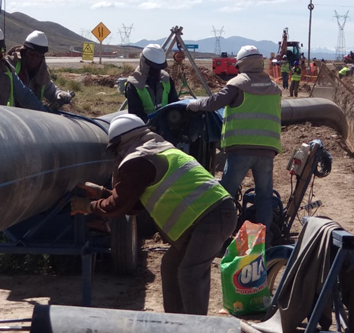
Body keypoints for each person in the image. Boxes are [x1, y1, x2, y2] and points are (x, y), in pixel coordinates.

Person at [71, 114, 236, 315]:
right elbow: (133, 204)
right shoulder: (157, 148)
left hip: (211, 216)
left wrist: (88, 206)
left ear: (121, 142)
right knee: (170, 266)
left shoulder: (138, 159)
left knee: (189, 272)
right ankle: (176, 323)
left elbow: (119, 206)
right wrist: (101, 193)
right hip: (210, 215)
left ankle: (196, 326)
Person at [185, 45, 281, 245]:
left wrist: (194, 105)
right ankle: (264, 240)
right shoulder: (274, 88)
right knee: (264, 196)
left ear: (242, 64)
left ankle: (219, 236)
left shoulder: (238, 84)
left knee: (225, 194)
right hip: (267, 150)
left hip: (240, 149)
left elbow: (214, 103)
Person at [6, 31, 73, 108]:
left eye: (38, 55)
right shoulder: (10, 65)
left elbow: (51, 90)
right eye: (31, 54)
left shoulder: (41, 73)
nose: (34, 58)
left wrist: (60, 94)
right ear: (23, 52)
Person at [125, 44, 179, 122]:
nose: (157, 71)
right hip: (145, 128)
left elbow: (174, 103)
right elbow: (136, 114)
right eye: (154, 68)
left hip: (167, 125)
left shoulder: (166, 79)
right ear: (145, 64)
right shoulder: (134, 84)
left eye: (160, 68)